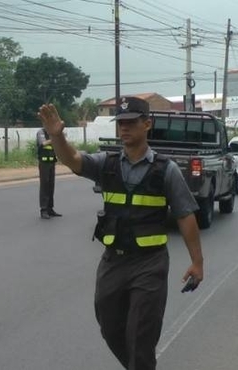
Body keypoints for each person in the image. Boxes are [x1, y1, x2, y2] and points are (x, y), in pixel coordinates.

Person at [38, 96, 204, 370]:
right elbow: (74, 160)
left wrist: (197, 262)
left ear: (147, 124)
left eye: (130, 123)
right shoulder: (107, 164)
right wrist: (58, 137)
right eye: (120, 123)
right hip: (113, 261)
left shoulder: (166, 170)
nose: (124, 128)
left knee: (140, 334)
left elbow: (186, 215)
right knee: (110, 327)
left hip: (149, 264)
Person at [36, 127, 62, 219]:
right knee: (44, 185)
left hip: (52, 163)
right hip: (44, 163)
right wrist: (54, 139)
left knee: (51, 185)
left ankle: (50, 209)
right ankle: (43, 210)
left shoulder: (52, 133)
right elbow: (43, 143)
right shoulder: (41, 133)